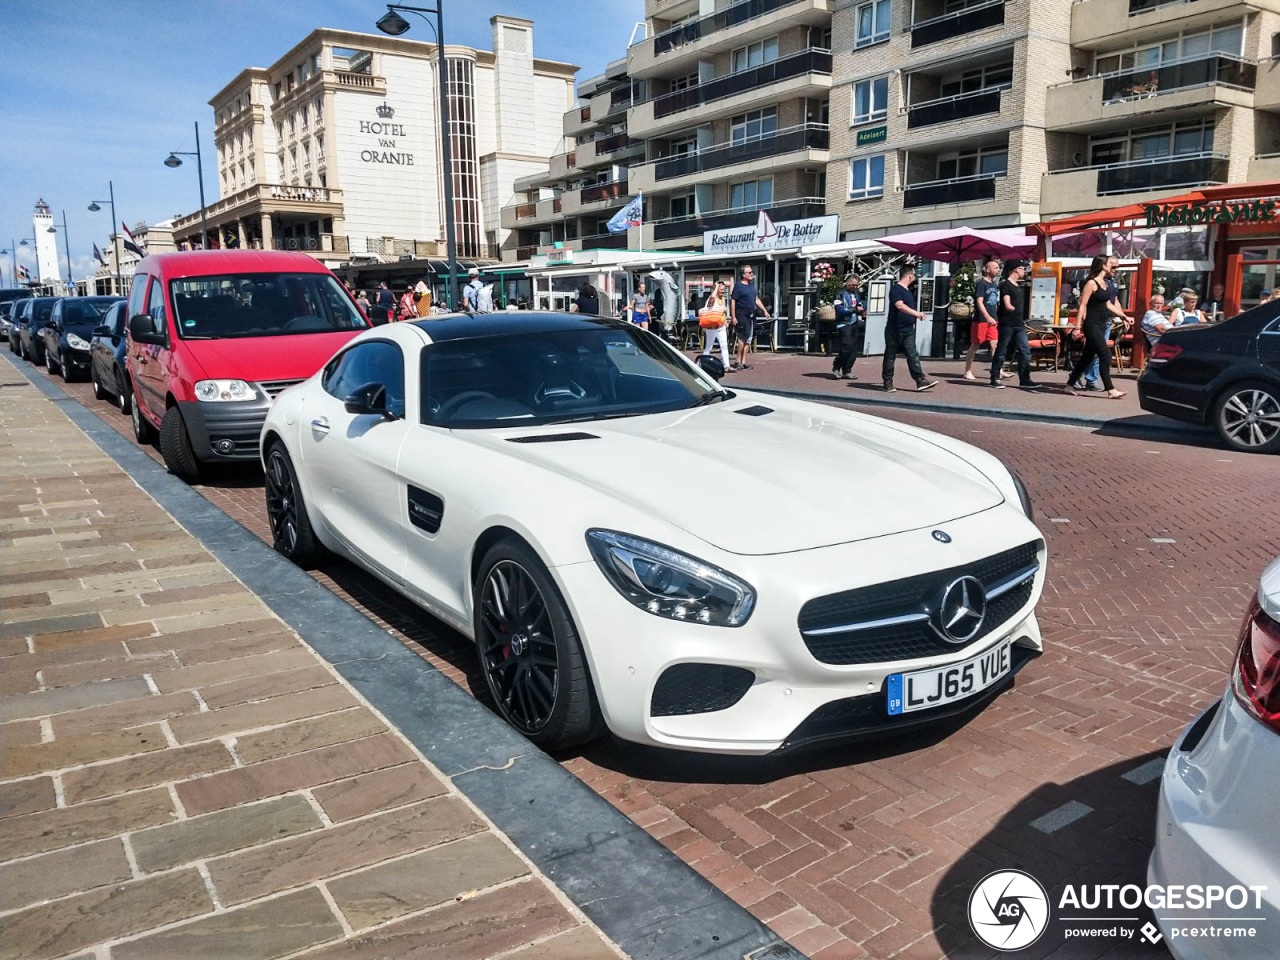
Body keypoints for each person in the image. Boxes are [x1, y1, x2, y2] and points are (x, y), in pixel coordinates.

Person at [1067, 255, 1129, 399]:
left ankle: (1069, 385)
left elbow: (1108, 304)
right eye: (1110, 265)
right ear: (1103, 265)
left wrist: (1123, 316)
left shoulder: (1105, 283)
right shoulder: (1091, 283)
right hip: (1092, 325)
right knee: (1105, 354)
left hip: (1102, 324)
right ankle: (1111, 389)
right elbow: (1082, 305)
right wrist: (1077, 327)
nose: (1114, 268)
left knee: (1087, 357)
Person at [883, 264, 939, 392]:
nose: (914, 277)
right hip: (894, 329)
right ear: (909, 275)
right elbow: (900, 306)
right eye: (914, 275)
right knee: (890, 355)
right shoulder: (896, 289)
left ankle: (920, 380)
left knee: (912, 354)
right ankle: (888, 382)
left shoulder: (908, 291)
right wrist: (916, 314)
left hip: (908, 329)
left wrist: (912, 321)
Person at [989, 261, 1038, 390]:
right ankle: (995, 377)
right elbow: (1005, 299)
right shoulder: (1006, 285)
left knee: (1025, 351)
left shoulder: (1018, 286)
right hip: (1007, 324)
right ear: (1016, 270)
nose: (1024, 271)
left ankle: (1024, 379)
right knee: (1001, 350)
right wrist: (1009, 305)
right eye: (1023, 269)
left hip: (1019, 324)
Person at [965, 258, 1010, 381]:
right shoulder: (981, 283)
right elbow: (979, 302)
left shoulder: (994, 284)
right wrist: (987, 316)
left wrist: (995, 316)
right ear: (988, 269)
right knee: (975, 344)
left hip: (993, 319)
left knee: (995, 345)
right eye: (995, 268)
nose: (998, 270)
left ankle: (998, 369)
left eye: (998, 268)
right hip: (981, 320)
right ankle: (967, 370)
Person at [730, 266, 770, 371]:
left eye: (752, 272)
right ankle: (738, 361)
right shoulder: (738, 286)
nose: (752, 274)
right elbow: (733, 300)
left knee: (749, 338)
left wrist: (764, 310)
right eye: (750, 272)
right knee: (743, 336)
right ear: (744, 274)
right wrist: (733, 316)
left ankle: (743, 362)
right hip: (741, 314)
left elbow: (756, 299)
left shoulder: (751, 286)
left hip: (751, 314)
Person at [831, 275, 865, 380]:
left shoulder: (856, 293)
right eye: (853, 284)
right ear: (848, 282)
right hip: (843, 323)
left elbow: (859, 304)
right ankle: (836, 367)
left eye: (856, 285)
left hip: (854, 323)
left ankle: (847, 370)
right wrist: (854, 309)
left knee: (854, 349)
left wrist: (863, 309)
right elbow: (839, 309)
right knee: (847, 347)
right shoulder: (840, 293)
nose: (854, 287)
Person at [699, 281, 732, 372]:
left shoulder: (723, 299)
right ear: (716, 290)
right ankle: (703, 364)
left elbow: (723, 312)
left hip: (721, 326)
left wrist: (725, 321)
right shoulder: (712, 298)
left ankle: (726, 366)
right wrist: (716, 286)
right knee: (709, 347)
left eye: (723, 289)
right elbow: (713, 297)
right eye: (721, 289)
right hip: (712, 327)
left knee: (724, 346)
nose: (722, 291)